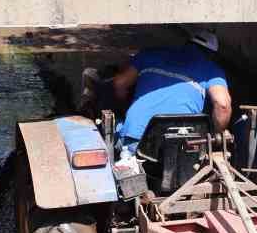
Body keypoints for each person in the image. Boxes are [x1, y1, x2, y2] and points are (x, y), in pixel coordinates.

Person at [81, 28, 232, 155]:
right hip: (185, 144)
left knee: (117, 128)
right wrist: (216, 135)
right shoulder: (212, 70)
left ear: (187, 44)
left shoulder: (150, 54)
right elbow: (223, 106)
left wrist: (124, 107)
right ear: (211, 55)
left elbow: (119, 83)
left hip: (138, 139)